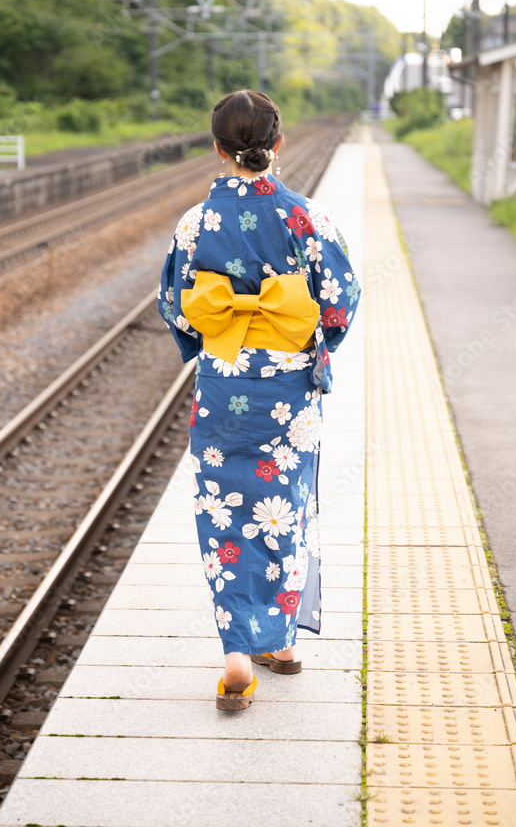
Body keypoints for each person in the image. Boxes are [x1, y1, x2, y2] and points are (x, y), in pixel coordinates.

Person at [158, 89, 360, 710]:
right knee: (287, 504)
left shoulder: (195, 223)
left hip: (224, 386)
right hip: (290, 388)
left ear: (218, 149)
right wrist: (310, 346)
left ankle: (238, 659)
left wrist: (221, 339)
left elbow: (176, 306)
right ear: (279, 142)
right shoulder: (309, 218)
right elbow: (340, 300)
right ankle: (285, 645)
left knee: (225, 514)